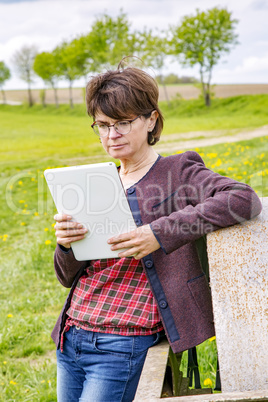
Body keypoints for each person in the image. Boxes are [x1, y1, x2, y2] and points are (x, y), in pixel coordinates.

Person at [51, 64, 262, 402]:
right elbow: (66, 277)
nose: (111, 135)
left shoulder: (178, 172)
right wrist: (65, 246)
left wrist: (159, 233)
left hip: (123, 341)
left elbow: (242, 199)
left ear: (151, 120)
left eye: (123, 122)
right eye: (102, 125)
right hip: (72, 334)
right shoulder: (93, 184)